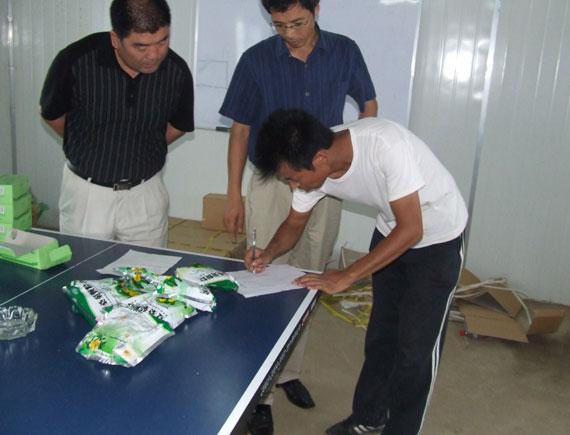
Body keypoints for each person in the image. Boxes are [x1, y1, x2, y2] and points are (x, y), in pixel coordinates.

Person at [248, 109, 468, 435]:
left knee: (415, 352)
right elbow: (294, 224)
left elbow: (412, 229)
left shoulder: (385, 146)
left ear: (320, 159)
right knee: (381, 338)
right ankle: (369, 417)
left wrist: (346, 275)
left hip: (437, 239)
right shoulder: (312, 162)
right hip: (391, 232)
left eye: (293, 179)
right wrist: (267, 253)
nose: (294, 186)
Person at [219, 1, 377, 433]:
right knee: (266, 274)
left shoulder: (344, 51)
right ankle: (261, 392)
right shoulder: (255, 60)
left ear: (316, 9)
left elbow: (369, 105)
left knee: (310, 277)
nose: (289, 33)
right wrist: (233, 193)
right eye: (279, 25)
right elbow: (240, 130)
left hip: (326, 182)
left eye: (298, 23)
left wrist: (352, 161)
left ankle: (289, 372)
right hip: (272, 182)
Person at [40, 0, 194, 247]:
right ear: (115, 39)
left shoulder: (177, 71)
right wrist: (92, 146)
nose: (154, 55)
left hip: (145, 194)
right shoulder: (76, 61)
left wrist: (140, 147)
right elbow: (52, 115)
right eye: (141, 46)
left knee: (149, 269)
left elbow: (178, 126)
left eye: (162, 41)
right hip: (87, 195)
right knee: (84, 267)